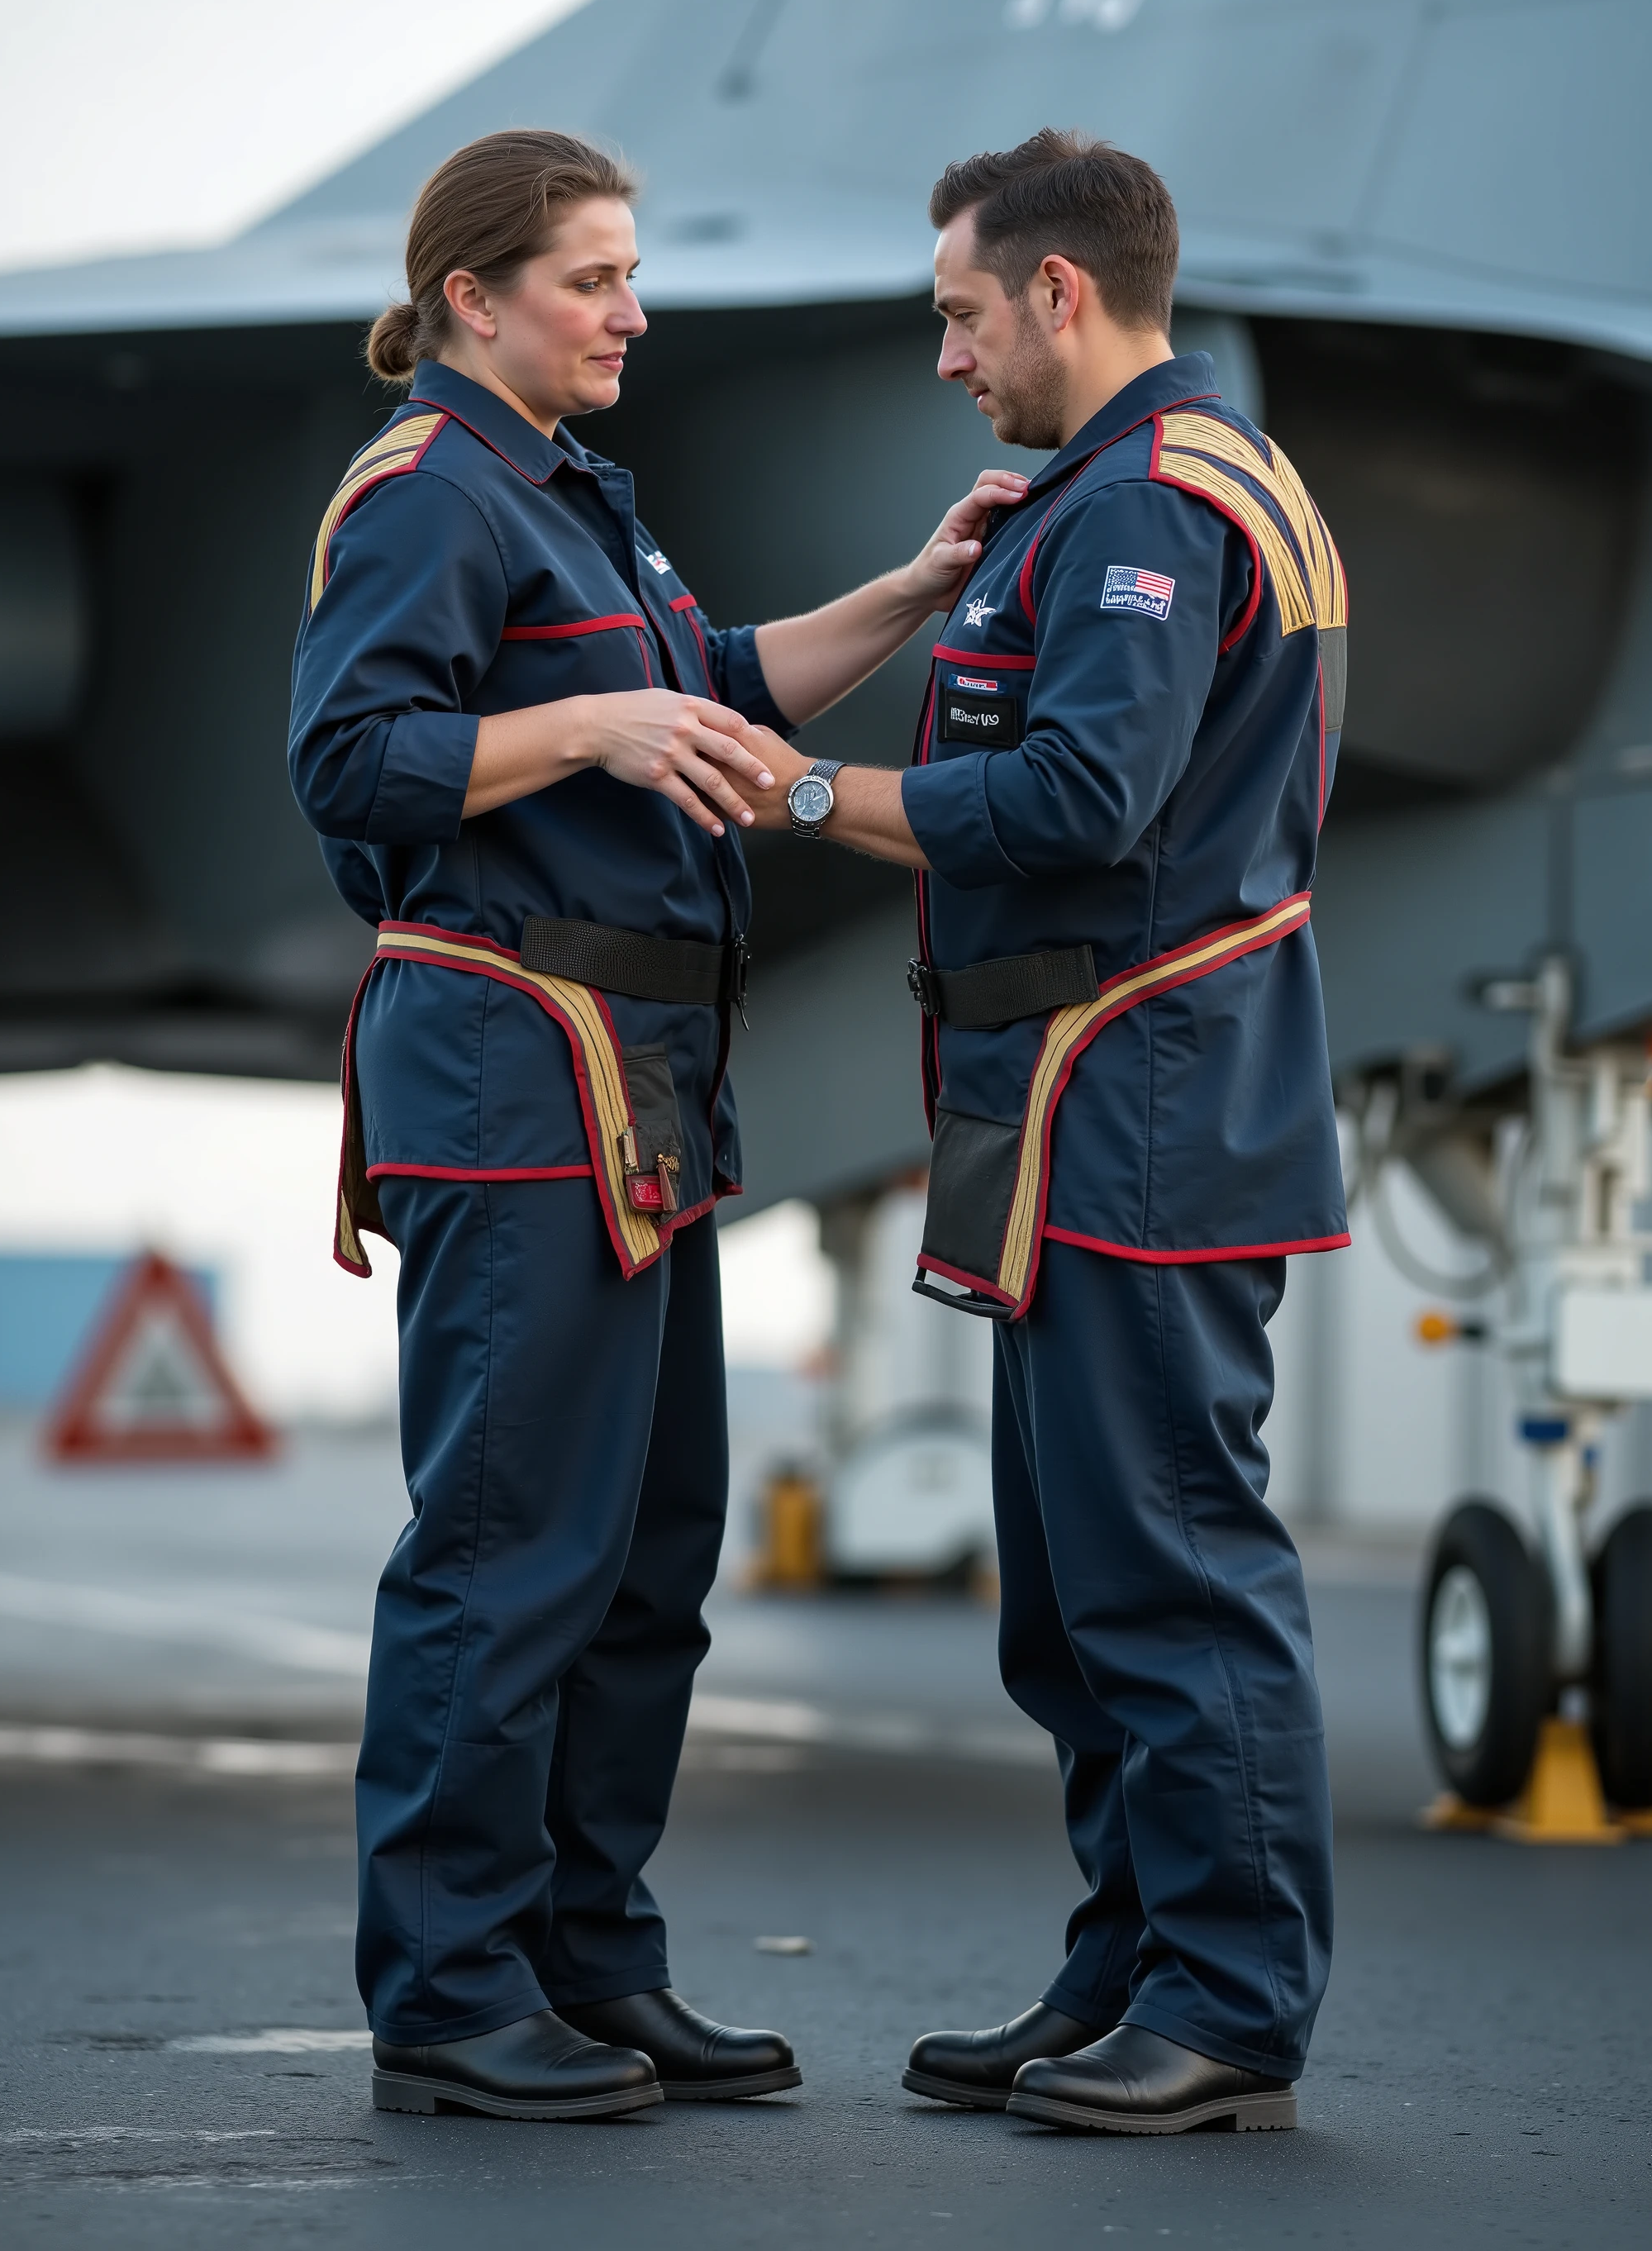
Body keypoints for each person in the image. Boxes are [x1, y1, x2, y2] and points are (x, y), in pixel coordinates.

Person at [287, 128, 1026, 2122]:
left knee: (642, 1560)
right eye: (593, 279)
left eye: (629, 275)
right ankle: (449, 1992)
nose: (633, 311)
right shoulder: (430, 493)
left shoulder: (573, 497)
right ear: (474, 295)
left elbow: (718, 698)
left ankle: (589, 1968)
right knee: (507, 1548)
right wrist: (591, 729)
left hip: (639, 1092)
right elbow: (353, 764)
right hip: (517, 1067)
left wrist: (914, 586)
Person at [729, 131, 1345, 2137]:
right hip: (1065, 1101)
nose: (944, 356)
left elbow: (1087, 801)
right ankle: (1129, 1967)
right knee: (1074, 1595)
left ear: (1061, 293)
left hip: (1138, 1098)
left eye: (962, 313)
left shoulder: (1155, 505)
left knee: (1166, 1568)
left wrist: (811, 799)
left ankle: (1233, 2004)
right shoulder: (1127, 488)